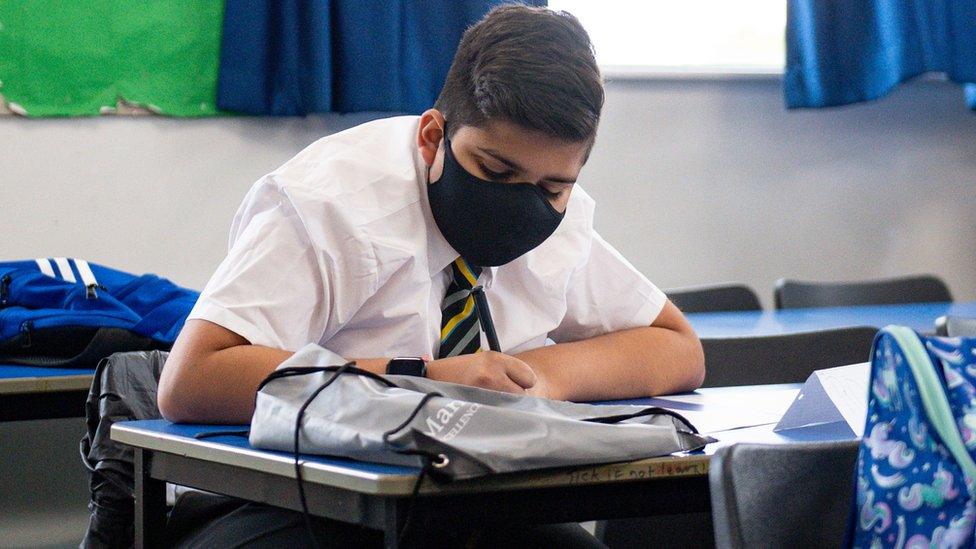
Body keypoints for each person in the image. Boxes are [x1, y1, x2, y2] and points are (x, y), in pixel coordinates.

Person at [157, 5, 704, 547]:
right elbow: (190, 381)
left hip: (468, 498)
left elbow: (676, 347)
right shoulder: (331, 203)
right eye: (495, 171)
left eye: (552, 188)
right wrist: (426, 380)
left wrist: (536, 379)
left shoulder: (563, 218)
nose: (524, 204)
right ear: (432, 137)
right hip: (288, 496)